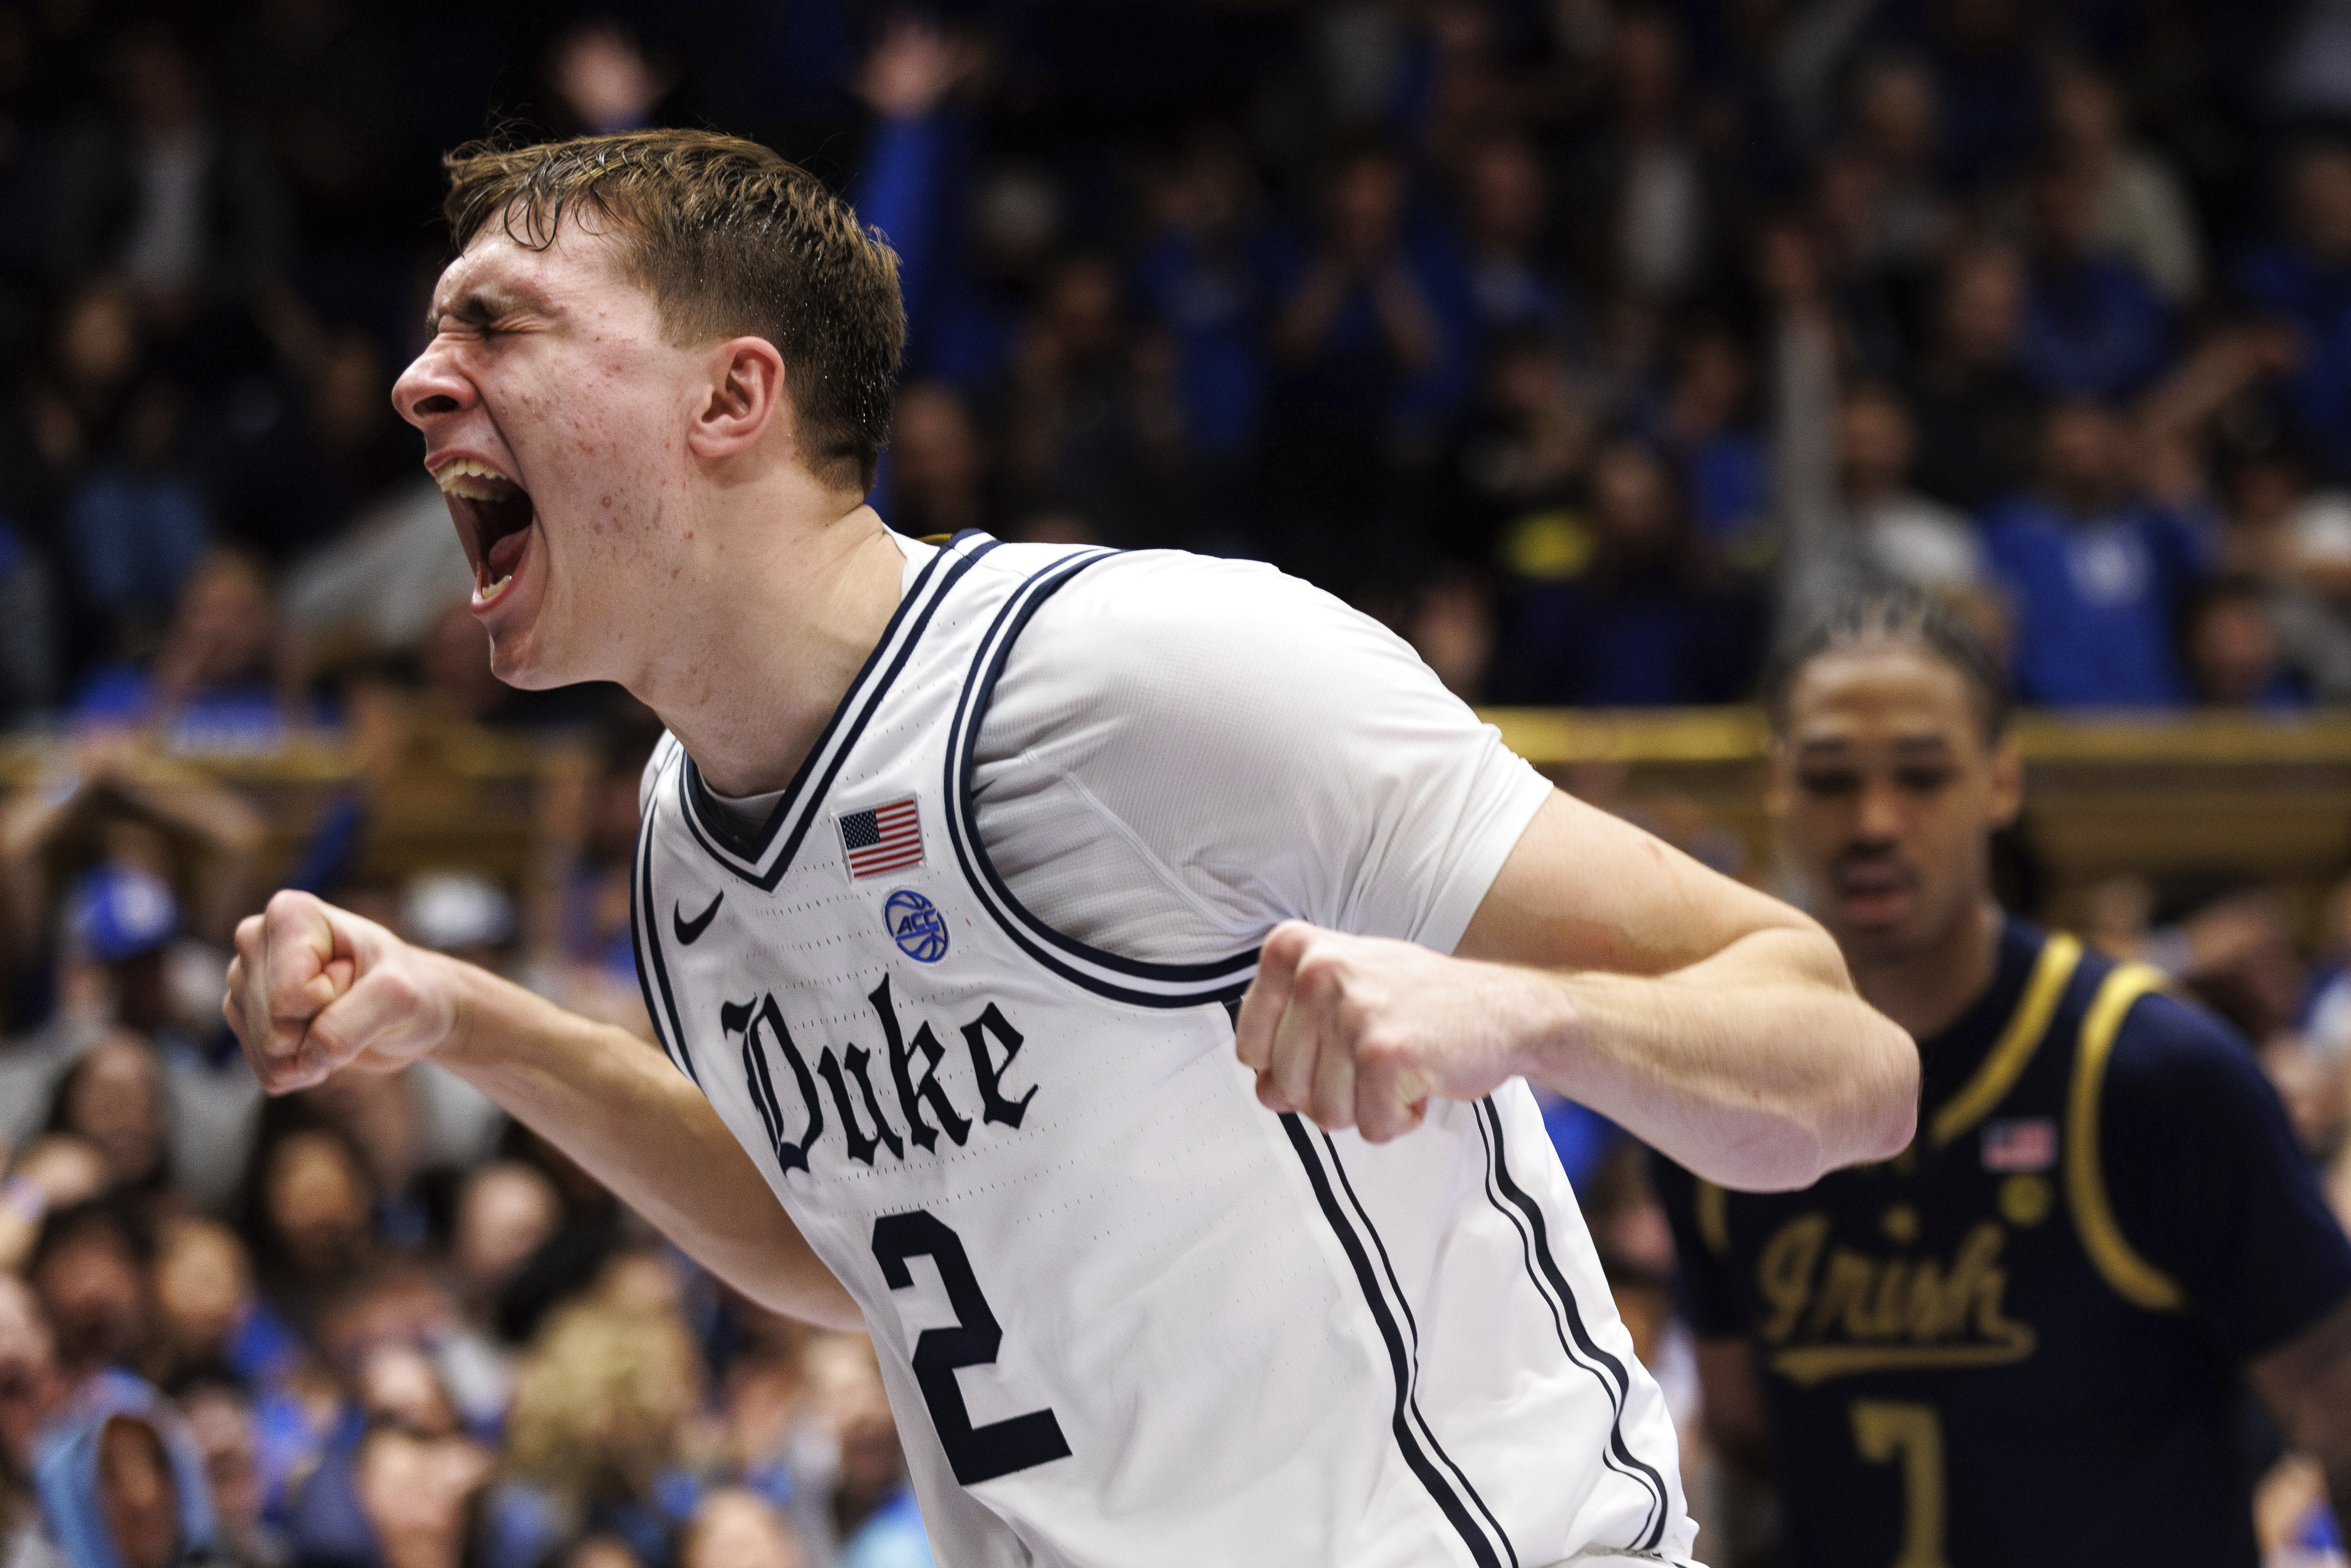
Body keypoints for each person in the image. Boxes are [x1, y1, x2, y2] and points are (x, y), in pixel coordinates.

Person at [222, 129, 1917, 1567]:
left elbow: (1847, 1064)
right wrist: (463, 1017)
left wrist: (1529, 1016)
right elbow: (850, 1246)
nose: (418, 383)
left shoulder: (1136, 678)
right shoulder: (683, 843)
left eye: (498, 325)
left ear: (732, 395)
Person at [1653, 591, 2351, 1566]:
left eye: (1922, 775)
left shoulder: (2155, 1075)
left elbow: (2333, 1406)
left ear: (2001, 780)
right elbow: (1745, 1450)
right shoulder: (1714, 1094)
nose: (1873, 821)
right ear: (1776, 788)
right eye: (1828, 779)